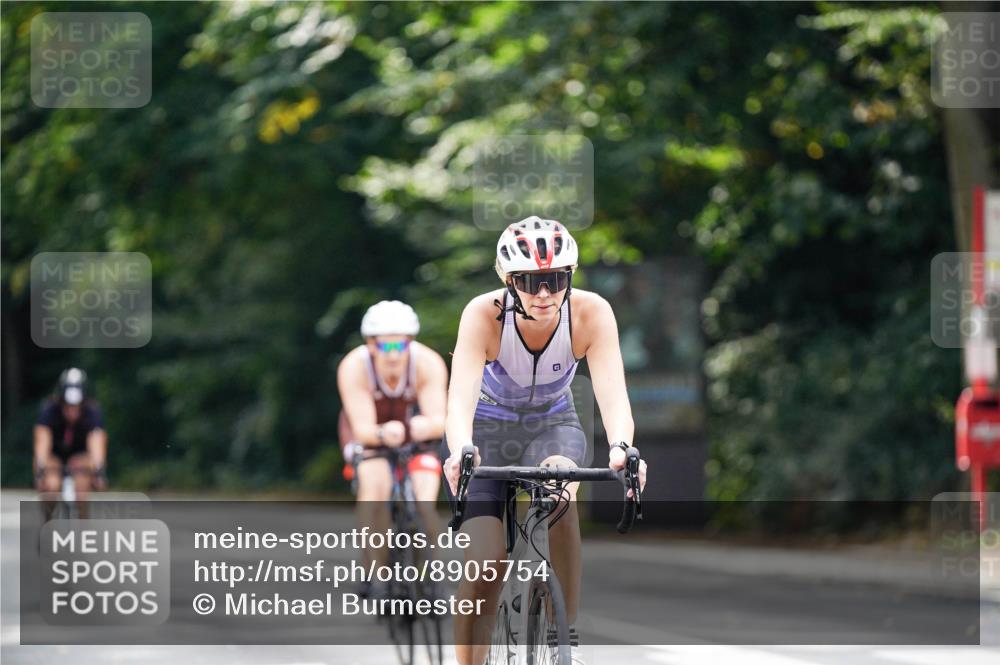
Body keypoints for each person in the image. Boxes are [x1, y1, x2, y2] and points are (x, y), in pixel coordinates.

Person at [442, 216, 648, 665]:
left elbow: (613, 393)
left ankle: (564, 635)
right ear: (508, 280)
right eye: (530, 282)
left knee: (561, 498)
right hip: (488, 431)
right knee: (486, 563)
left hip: (552, 425)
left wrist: (622, 448)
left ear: (569, 276)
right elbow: (458, 398)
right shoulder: (483, 314)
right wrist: (460, 449)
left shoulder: (592, 313)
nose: (543, 294)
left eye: (555, 280)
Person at [337, 300, 448, 595]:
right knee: (376, 487)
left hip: (413, 436)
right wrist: (383, 433)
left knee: (424, 501)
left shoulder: (427, 363)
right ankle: (375, 573)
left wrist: (425, 426)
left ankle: (430, 574)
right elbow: (362, 429)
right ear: (371, 345)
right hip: (370, 433)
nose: (394, 355)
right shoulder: (353, 367)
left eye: (402, 346)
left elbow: (440, 419)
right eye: (386, 347)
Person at [34, 368, 107, 519]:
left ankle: (82, 528)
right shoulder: (49, 409)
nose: (71, 412)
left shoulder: (92, 410)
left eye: (75, 407)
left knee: (81, 492)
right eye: (67, 407)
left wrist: (99, 470)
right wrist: (40, 470)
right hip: (54, 455)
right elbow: (42, 440)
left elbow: (97, 441)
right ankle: (48, 523)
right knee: (51, 487)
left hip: (80, 456)